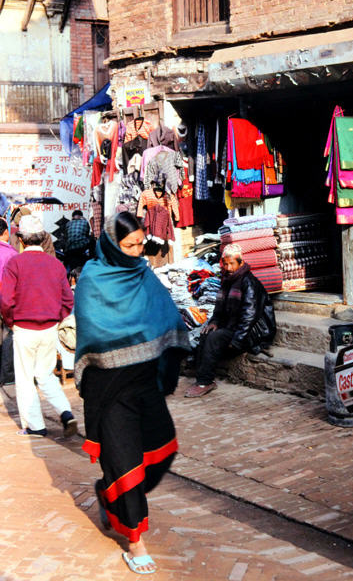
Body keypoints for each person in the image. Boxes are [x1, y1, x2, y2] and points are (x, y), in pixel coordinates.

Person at [74, 211, 189, 575]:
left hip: (144, 385)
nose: (138, 251)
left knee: (163, 449)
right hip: (108, 390)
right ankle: (136, 542)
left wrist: (169, 362)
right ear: (112, 245)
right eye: (129, 245)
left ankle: (109, 494)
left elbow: (167, 318)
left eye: (141, 243)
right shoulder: (93, 279)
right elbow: (93, 334)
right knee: (127, 466)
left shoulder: (144, 274)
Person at [0, 214, 77, 437]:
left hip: (24, 327)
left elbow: (5, 299)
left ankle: (36, 426)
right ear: (43, 238)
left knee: (25, 378)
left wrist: (11, 321)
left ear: (22, 239)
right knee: (45, 374)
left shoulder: (16, 262)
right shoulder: (55, 264)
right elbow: (67, 299)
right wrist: (57, 317)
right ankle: (65, 412)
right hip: (49, 327)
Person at [185, 243, 277, 398]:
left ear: (240, 263)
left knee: (214, 338)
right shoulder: (227, 281)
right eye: (225, 264)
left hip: (251, 332)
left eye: (231, 264)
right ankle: (201, 376)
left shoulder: (249, 283)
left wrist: (237, 341)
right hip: (233, 327)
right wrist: (214, 321)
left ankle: (204, 381)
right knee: (207, 332)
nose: (227, 267)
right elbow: (219, 309)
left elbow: (250, 316)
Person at [0, 218, 17, 386]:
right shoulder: (12, 253)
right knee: (7, 338)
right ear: (6, 233)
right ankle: (6, 376)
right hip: (6, 300)